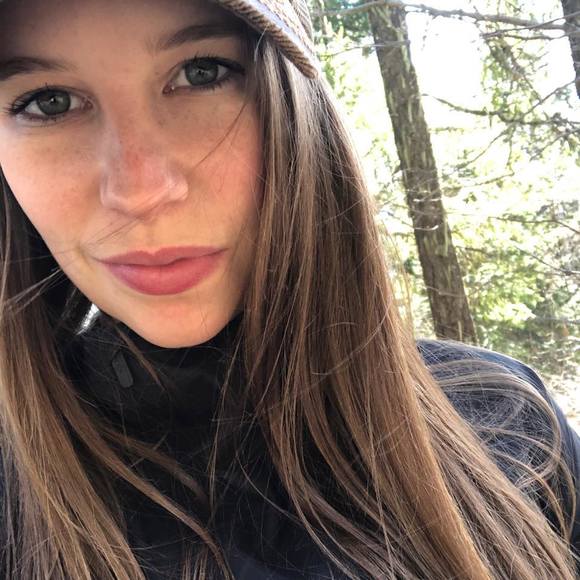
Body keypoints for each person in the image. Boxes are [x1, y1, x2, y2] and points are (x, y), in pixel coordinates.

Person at [0, 0, 577, 578]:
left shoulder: (512, 425)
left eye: (202, 72)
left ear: (299, 111)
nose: (140, 190)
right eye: (49, 102)